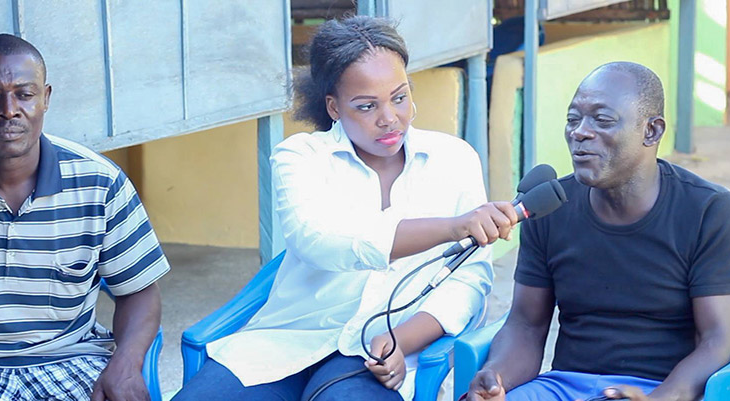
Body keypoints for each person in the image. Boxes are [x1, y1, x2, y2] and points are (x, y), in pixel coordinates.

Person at [173, 16, 518, 401]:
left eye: (400, 97)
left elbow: (469, 280)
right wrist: (452, 227)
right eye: (366, 106)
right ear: (334, 107)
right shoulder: (300, 157)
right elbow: (318, 242)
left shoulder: (454, 160)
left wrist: (400, 340)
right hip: (285, 343)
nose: (389, 118)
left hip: (381, 352)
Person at [466, 62, 730, 401]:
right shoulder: (548, 207)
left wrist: (664, 397)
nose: (580, 133)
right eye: (573, 119)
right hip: (563, 386)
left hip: (657, 389)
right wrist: (498, 377)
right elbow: (526, 324)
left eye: (602, 120)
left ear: (652, 131)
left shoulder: (708, 210)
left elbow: (717, 342)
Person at [0, 34, 170, 401]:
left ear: (46, 98)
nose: (8, 109)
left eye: (24, 93)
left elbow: (140, 292)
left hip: (73, 359)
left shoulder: (99, 182)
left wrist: (127, 364)